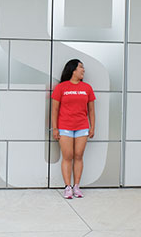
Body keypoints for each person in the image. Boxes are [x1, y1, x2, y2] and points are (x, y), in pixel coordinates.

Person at [51, 59, 95, 199]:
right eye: (81, 67)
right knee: (68, 156)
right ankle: (67, 187)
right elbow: (54, 110)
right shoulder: (61, 88)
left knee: (78, 156)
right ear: (73, 70)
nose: (83, 70)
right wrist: (55, 128)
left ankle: (77, 186)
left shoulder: (87, 88)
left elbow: (92, 111)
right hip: (65, 127)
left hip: (82, 126)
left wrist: (92, 127)